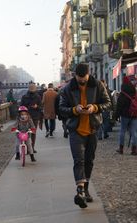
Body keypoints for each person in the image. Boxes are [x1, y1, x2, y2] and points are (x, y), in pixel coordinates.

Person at [59, 63, 111, 208]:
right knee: (78, 160)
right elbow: (62, 109)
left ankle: (86, 190)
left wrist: (95, 107)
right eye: (79, 77)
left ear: (88, 74)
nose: (82, 80)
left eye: (84, 77)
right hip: (76, 130)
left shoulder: (98, 85)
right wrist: (75, 110)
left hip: (93, 129)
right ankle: (80, 190)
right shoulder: (68, 88)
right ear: (75, 75)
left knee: (89, 160)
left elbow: (108, 103)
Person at [116, 76, 137, 155]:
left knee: (122, 131)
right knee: (134, 132)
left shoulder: (123, 93)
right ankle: (134, 149)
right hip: (134, 115)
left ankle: (121, 149)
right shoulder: (134, 91)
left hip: (125, 115)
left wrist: (116, 115)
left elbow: (119, 105)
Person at [20, 83, 42, 152]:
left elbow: (21, 107)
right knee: (33, 133)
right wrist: (37, 107)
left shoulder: (24, 96)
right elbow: (41, 107)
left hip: (26, 116)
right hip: (34, 116)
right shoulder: (38, 97)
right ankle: (31, 148)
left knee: (26, 132)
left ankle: (28, 147)